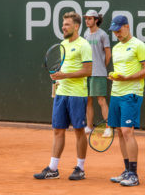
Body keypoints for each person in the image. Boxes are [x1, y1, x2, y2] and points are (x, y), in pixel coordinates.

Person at [34, 11, 92, 180]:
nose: (63, 27)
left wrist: (65, 75)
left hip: (77, 95)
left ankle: (80, 168)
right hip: (61, 93)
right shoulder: (63, 44)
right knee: (58, 131)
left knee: (79, 131)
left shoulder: (84, 45)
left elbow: (88, 71)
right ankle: (53, 168)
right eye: (63, 24)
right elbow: (64, 67)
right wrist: (58, 78)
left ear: (76, 26)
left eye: (67, 24)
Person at [107, 15, 145, 186]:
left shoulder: (139, 45)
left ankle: (134, 174)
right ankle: (127, 170)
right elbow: (120, 71)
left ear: (127, 26)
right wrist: (116, 77)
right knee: (120, 131)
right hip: (116, 93)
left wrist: (128, 78)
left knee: (127, 131)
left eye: (119, 30)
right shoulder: (116, 48)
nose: (117, 34)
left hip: (132, 93)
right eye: (115, 32)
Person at [83, 10, 112, 137]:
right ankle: (89, 127)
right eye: (86, 18)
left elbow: (108, 55)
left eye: (90, 19)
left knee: (101, 100)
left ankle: (109, 127)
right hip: (86, 72)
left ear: (96, 20)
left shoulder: (103, 35)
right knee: (88, 100)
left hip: (98, 73)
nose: (87, 21)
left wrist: (101, 67)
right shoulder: (85, 34)